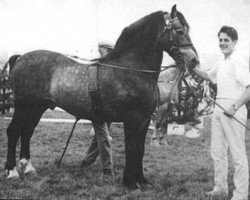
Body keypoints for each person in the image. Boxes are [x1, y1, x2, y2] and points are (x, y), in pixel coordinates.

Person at [189, 26, 250, 200]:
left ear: (235, 42)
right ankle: (220, 188)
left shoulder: (239, 60)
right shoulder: (222, 60)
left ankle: (240, 195)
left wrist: (235, 106)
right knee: (218, 151)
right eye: (221, 40)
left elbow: (249, 88)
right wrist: (191, 67)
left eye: (226, 40)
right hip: (219, 108)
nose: (223, 43)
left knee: (238, 153)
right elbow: (208, 76)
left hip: (233, 109)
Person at [82, 43, 114, 179]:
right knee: (104, 138)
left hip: (110, 109)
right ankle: (107, 168)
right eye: (102, 51)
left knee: (99, 138)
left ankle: (87, 160)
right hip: (98, 109)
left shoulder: (113, 67)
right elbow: (92, 89)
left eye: (105, 51)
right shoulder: (95, 67)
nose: (103, 53)